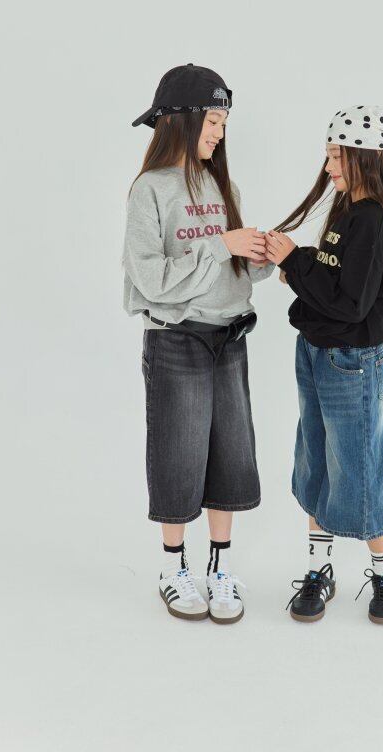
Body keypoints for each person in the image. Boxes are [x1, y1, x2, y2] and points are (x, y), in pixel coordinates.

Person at [123, 63, 274, 624]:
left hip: (228, 338)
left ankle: (220, 568)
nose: (220, 132)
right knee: (178, 454)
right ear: (182, 121)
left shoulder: (221, 185)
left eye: (224, 122)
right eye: (213, 121)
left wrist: (259, 257)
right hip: (177, 342)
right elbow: (151, 279)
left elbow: (229, 273)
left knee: (230, 455)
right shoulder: (149, 189)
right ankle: (173, 568)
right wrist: (220, 246)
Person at [264, 104, 383, 625]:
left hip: (351, 363)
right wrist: (297, 266)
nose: (328, 167)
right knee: (317, 459)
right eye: (328, 156)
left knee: (360, 465)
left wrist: (292, 260)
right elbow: (335, 283)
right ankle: (318, 569)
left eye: (335, 156)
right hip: (316, 352)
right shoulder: (348, 212)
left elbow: (349, 304)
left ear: (363, 157)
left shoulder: (371, 220)